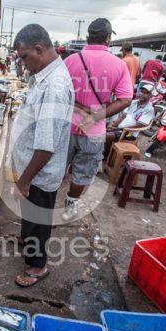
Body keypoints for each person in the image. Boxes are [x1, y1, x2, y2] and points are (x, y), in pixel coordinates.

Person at [9, 24, 73, 287]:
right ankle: (27, 240)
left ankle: (38, 265)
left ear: (39, 49)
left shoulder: (54, 87)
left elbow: (46, 145)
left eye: (24, 57)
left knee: (38, 218)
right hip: (32, 167)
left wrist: (24, 181)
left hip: (40, 171)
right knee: (30, 212)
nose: (23, 65)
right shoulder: (45, 75)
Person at [62, 18, 133, 221]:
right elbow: (125, 99)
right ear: (108, 39)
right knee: (83, 172)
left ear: (87, 37)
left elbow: (58, 93)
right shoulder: (118, 65)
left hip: (66, 126)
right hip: (93, 132)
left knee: (56, 167)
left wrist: (77, 107)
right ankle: (69, 207)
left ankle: (47, 203)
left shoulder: (70, 60)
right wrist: (94, 117)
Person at [105, 84, 155, 155]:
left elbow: (139, 125)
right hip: (120, 128)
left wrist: (120, 128)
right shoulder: (133, 102)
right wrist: (113, 125)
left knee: (106, 136)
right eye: (142, 92)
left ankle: (106, 156)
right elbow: (123, 116)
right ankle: (107, 154)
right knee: (102, 129)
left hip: (130, 133)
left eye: (145, 93)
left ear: (151, 96)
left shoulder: (149, 109)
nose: (142, 94)